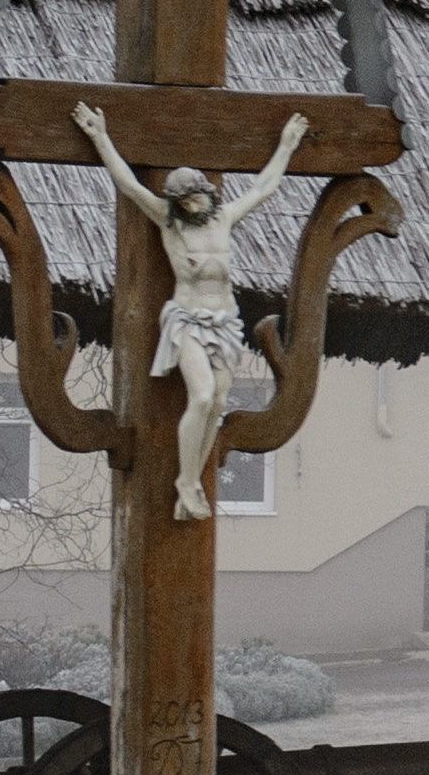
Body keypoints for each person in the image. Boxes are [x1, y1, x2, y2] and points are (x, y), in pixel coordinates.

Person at [73, 99, 309, 522]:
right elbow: (128, 184)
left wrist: (287, 146)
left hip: (225, 322)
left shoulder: (224, 219)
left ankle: (192, 486)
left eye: (198, 196)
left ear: (206, 193)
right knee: (200, 396)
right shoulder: (169, 223)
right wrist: (99, 136)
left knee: (218, 402)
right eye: (186, 200)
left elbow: (262, 188)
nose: (194, 205)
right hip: (187, 321)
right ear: (177, 202)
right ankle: (185, 480)